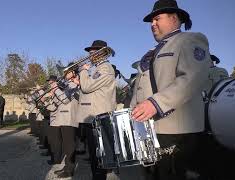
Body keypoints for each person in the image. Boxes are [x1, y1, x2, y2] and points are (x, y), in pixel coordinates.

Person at [130, 0, 211, 179]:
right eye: (151, 21)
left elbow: (192, 77)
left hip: (176, 130)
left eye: (157, 18)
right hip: (150, 127)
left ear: (174, 18)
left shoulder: (190, 39)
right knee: (151, 174)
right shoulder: (153, 51)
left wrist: (156, 103)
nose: (152, 24)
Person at [76, 40, 116, 180]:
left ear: (102, 53)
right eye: (90, 53)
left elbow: (87, 87)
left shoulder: (105, 68)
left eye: (93, 52)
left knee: (99, 158)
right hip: (92, 116)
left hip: (99, 116)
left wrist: (83, 71)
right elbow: (88, 89)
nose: (90, 55)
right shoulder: (96, 69)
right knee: (94, 156)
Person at [51, 66, 80, 178]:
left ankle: (69, 169)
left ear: (73, 73)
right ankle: (67, 166)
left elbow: (65, 99)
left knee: (70, 145)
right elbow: (59, 102)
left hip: (69, 118)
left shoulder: (74, 84)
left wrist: (56, 90)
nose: (64, 74)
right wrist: (54, 93)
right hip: (63, 118)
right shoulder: (67, 84)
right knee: (66, 145)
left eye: (67, 72)